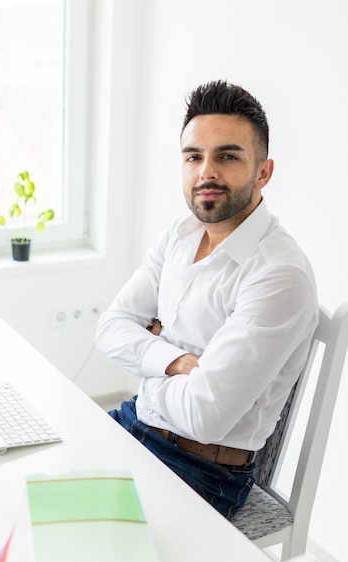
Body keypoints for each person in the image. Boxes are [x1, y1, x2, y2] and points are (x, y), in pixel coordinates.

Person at [95, 80, 318, 519]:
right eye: (194, 156)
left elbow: (204, 417)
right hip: (133, 423)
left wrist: (148, 360)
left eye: (228, 156)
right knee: (34, 483)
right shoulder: (178, 237)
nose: (206, 172)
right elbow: (109, 330)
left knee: (75, 548)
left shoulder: (279, 274)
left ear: (263, 172)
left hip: (197, 468)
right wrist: (180, 362)